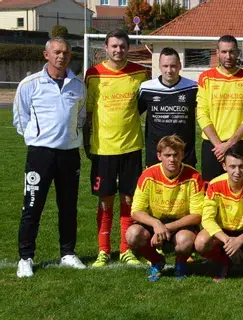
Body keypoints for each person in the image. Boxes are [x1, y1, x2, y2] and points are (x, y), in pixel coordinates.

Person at [13, 37, 87, 277]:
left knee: (68, 207)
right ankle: (25, 257)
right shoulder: (29, 84)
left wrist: (71, 136)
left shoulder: (77, 85)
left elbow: (81, 116)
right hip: (40, 155)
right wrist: (37, 139)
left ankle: (67, 253)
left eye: (65, 53)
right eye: (56, 52)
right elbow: (20, 118)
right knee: (32, 206)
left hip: (69, 155)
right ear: (46, 55)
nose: (61, 56)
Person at [84, 29, 150, 267]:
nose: (118, 50)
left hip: (131, 147)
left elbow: (142, 105)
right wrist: (87, 141)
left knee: (129, 200)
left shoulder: (140, 73)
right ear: (105, 47)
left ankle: (125, 250)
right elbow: (89, 111)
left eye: (122, 46)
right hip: (103, 149)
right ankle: (103, 250)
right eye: (114, 46)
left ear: (128, 48)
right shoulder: (93, 75)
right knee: (105, 201)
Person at [126, 135, 203, 281]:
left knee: (185, 240)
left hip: (182, 223)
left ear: (182, 155)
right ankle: (156, 260)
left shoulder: (194, 176)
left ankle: (181, 264)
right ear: (159, 156)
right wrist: (156, 224)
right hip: (156, 221)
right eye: (167, 155)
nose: (172, 159)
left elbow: (197, 215)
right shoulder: (148, 175)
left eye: (176, 155)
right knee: (132, 234)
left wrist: (165, 227)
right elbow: (136, 211)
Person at [195, 144, 243, 282]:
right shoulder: (214, 185)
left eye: (241, 166)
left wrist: (239, 240)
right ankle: (223, 261)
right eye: (232, 167)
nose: (237, 171)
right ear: (224, 166)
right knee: (201, 242)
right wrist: (228, 241)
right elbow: (207, 220)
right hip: (223, 232)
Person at [197, 35, 243, 182]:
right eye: (224, 52)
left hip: (239, 143)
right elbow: (201, 113)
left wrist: (229, 144)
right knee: (211, 190)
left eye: (232, 52)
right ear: (217, 53)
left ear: (238, 53)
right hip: (213, 146)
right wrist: (219, 146)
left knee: (242, 189)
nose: (228, 56)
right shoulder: (206, 77)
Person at [138, 47, 198, 167]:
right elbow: (134, 114)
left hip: (184, 155)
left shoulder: (193, 88)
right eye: (165, 66)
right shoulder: (147, 88)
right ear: (159, 66)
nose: (169, 70)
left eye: (173, 66)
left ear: (180, 66)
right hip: (156, 156)